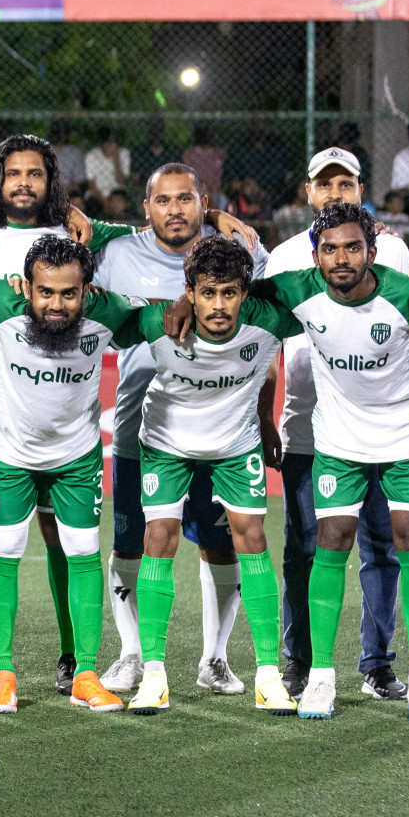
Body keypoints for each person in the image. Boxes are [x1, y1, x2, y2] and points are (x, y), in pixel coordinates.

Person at [0, 135, 138, 697]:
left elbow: (138, 239)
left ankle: (73, 655)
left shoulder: (71, 237)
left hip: (60, 411)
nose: (23, 183)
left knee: (62, 537)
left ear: (52, 182)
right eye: (13, 173)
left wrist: (216, 215)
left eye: (35, 174)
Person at [253, 203, 409, 722]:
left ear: (372, 249)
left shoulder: (408, 292)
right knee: (330, 543)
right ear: (315, 252)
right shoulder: (299, 287)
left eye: (352, 247)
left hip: (406, 436)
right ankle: (321, 677)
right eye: (330, 249)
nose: (341, 259)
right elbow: (235, 292)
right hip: (339, 442)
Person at [93, 162, 270, 698]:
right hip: (141, 430)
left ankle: (214, 659)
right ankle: (131, 655)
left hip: (222, 430)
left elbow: (266, 326)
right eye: (163, 200)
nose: (176, 209)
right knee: (132, 544)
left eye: (187, 199)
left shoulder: (238, 251)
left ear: (204, 202)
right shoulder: (118, 255)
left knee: (221, 546)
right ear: (146, 208)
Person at [121, 236, 299, 716]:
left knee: (253, 537)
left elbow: (321, 289)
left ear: (246, 292)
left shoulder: (269, 319)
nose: (218, 306)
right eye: (206, 293)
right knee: (159, 538)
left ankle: (267, 675)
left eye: (230, 293)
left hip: (233, 442)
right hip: (166, 440)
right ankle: (153, 675)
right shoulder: (157, 323)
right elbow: (102, 317)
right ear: (190, 292)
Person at [265, 146, 409, 701]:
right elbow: (263, 343)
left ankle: (377, 664)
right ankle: (300, 662)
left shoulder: (393, 250)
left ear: (360, 189)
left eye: (345, 185)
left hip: (384, 429)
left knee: (383, 547)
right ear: (308, 193)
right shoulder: (283, 256)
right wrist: (265, 415)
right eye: (324, 185)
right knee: (305, 548)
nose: (335, 194)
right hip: (308, 426)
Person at [128, 118, 178, 192]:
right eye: (153, 131)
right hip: (145, 189)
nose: (156, 135)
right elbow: (136, 178)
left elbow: (177, 176)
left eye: (158, 131)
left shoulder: (171, 151)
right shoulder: (140, 152)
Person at [83, 127, 130, 202]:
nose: (110, 146)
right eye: (107, 143)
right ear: (101, 144)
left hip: (117, 193)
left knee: (119, 202)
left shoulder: (123, 154)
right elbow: (91, 184)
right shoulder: (92, 155)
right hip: (98, 194)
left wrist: (116, 157)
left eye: (112, 143)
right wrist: (105, 202)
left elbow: (120, 181)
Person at [182, 125, 227, 199]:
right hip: (195, 191)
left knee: (222, 199)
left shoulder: (218, 153)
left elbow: (219, 177)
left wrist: (210, 188)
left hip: (214, 192)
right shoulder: (190, 154)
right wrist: (201, 185)